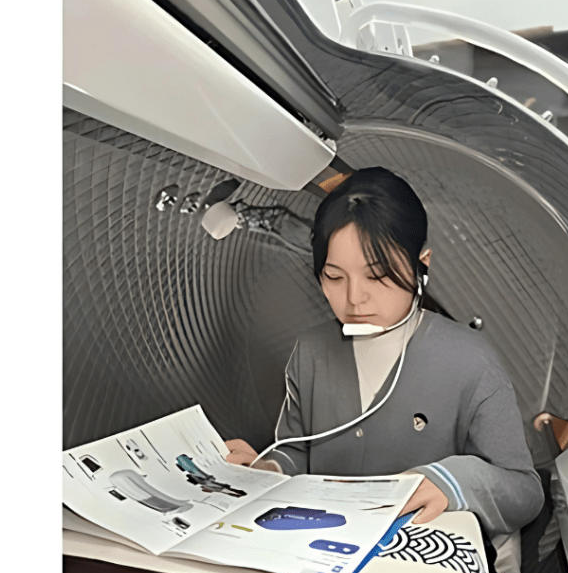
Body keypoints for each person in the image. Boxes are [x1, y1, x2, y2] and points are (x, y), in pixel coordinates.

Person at [225, 167, 543, 537]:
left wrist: (451, 482)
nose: (354, 298)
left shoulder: (470, 360)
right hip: (320, 543)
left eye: (377, 276)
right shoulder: (311, 351)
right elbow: (297, 451)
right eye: (334, 277)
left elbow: (524, 491)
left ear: (421, 265)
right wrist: (267, 470)